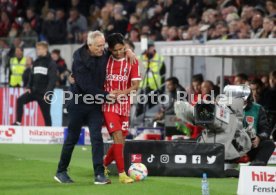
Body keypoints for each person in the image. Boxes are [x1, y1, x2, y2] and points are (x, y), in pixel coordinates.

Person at [54, 31, 136, 184]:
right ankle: (61, 171)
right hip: (78, 102)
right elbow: (86, 86)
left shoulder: (103, 53)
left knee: (97, 138)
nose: (102, 48)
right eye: (98, 46)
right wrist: (106, 95)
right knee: (72, 138)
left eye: (103, 45)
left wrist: (129, 51)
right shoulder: (79, 59)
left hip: (94, 104)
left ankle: (99, 174)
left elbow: (116, 51)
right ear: (89, 45)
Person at [103, 33, 141, 184]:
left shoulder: (132, 60)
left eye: (121, 49)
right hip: (108, 105)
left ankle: (102, 165)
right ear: (110, 49)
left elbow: (136, 86)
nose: (118, 52)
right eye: (115, 50)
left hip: (125, 106)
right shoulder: (104, 59)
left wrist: (122, 93)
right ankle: (122, 174)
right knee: (118, 137)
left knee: (121, 142)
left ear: (124, 46)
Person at [13, 42, 57, 126]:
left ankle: (49, 133)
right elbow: (31, 75)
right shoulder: (36, 61)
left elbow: (52, 80)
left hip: (44, 94)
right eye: (37, 49)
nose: (37, 51)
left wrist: (48, 93)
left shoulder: (51, 63)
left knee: (46, 115)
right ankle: (18, 122)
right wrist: (29, 86)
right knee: (20, 100)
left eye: (39, 49)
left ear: (45, 49)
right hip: (34, 91)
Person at [243, 96, 275, 166]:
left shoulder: (258, 108)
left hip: (251, 145)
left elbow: (265, 129)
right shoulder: (226, 107)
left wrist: (259, 137)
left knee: (269, 144)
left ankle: (255, 166)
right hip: (231, 144)